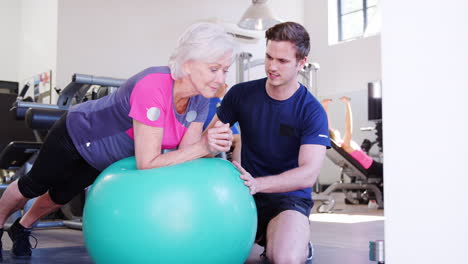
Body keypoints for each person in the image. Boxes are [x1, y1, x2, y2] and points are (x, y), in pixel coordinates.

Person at [0, 22, 236, 259]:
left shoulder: (200, 99)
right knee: (32, 186)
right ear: (188, 64)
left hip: (104, 158)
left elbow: (187, 154)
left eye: (225, 70)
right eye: (214, 69)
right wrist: (203, 146)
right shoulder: (153, 86)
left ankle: (22, 227)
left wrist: (212, 145)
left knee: (59, 196)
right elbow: (148, 161)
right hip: (76, 134)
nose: (221, 78)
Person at [204, 22, 330, 264]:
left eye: (282, 61)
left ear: (301, 62)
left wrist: (257, 184)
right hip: (240, 193)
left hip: (287, 199)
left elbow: (307, 175)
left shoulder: (312, 111)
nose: (272, 67)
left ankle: (293, 240)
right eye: (269, 57)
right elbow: (206, 144)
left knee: (285, 258)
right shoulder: (240, 94)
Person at [321, 96, 383, 178]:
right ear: (334, 135)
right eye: (333, 130)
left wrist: (325, 106)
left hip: (372, 165)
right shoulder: (346, 145)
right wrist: (347, 104)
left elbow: (327, 127)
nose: (335, 129)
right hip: (372, 168)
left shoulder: (341, 144)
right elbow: (348, 126)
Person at [203, 83, 242, 162]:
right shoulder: (213, 103)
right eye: (223, 84)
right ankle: (239, 170)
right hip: (211, 143)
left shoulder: (220, 103)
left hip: (219, 142)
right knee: (241, 139)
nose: (226, 86)